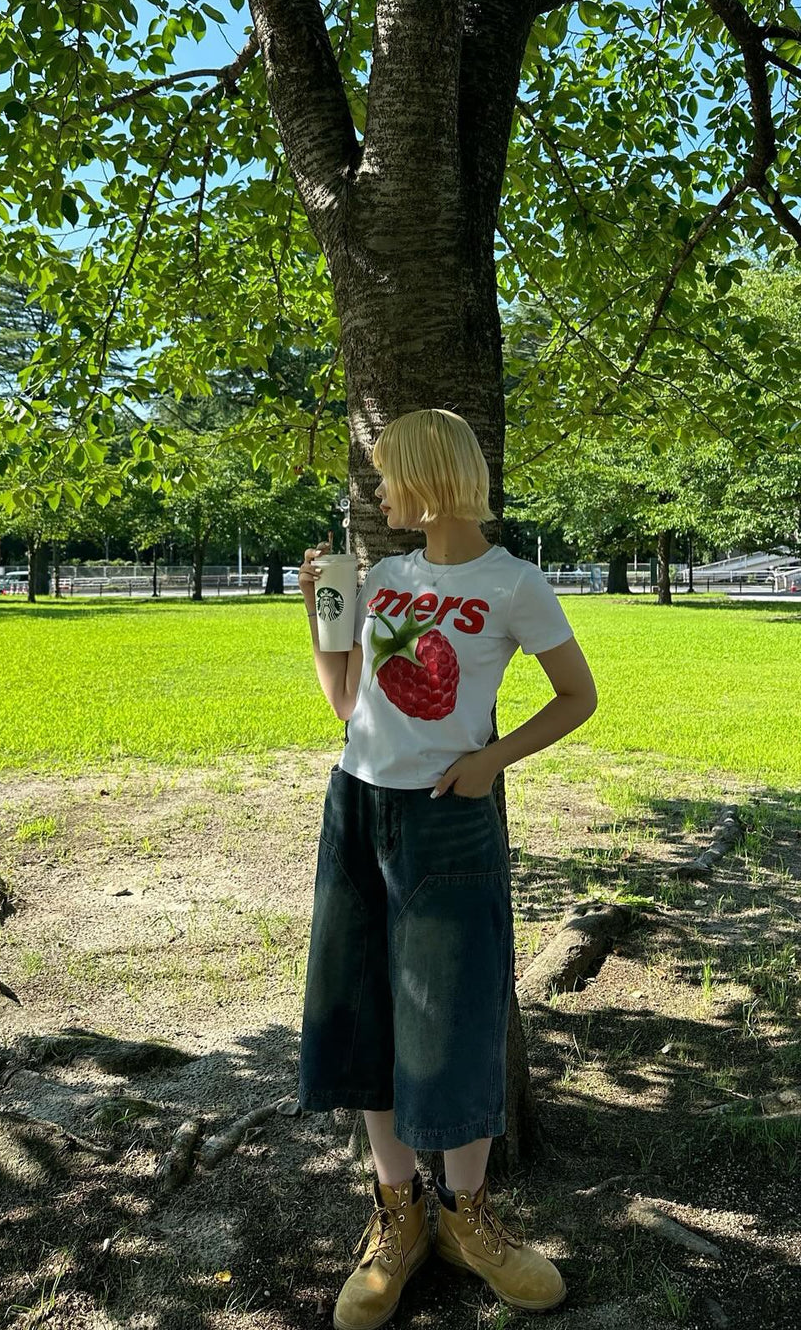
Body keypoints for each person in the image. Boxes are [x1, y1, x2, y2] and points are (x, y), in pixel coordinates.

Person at [297, 408, 598, 1329]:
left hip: (451, 819)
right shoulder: (379, 577)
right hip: (357, 807)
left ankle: (469, 1222)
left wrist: (491, 761)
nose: (381, 492)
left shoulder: (514, 583)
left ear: (427, 482)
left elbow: (578, 697)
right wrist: (321, 613)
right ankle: (398, 1216)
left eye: (390, 476)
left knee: (456, 1012)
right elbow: (346, 699)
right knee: (366, 1006)